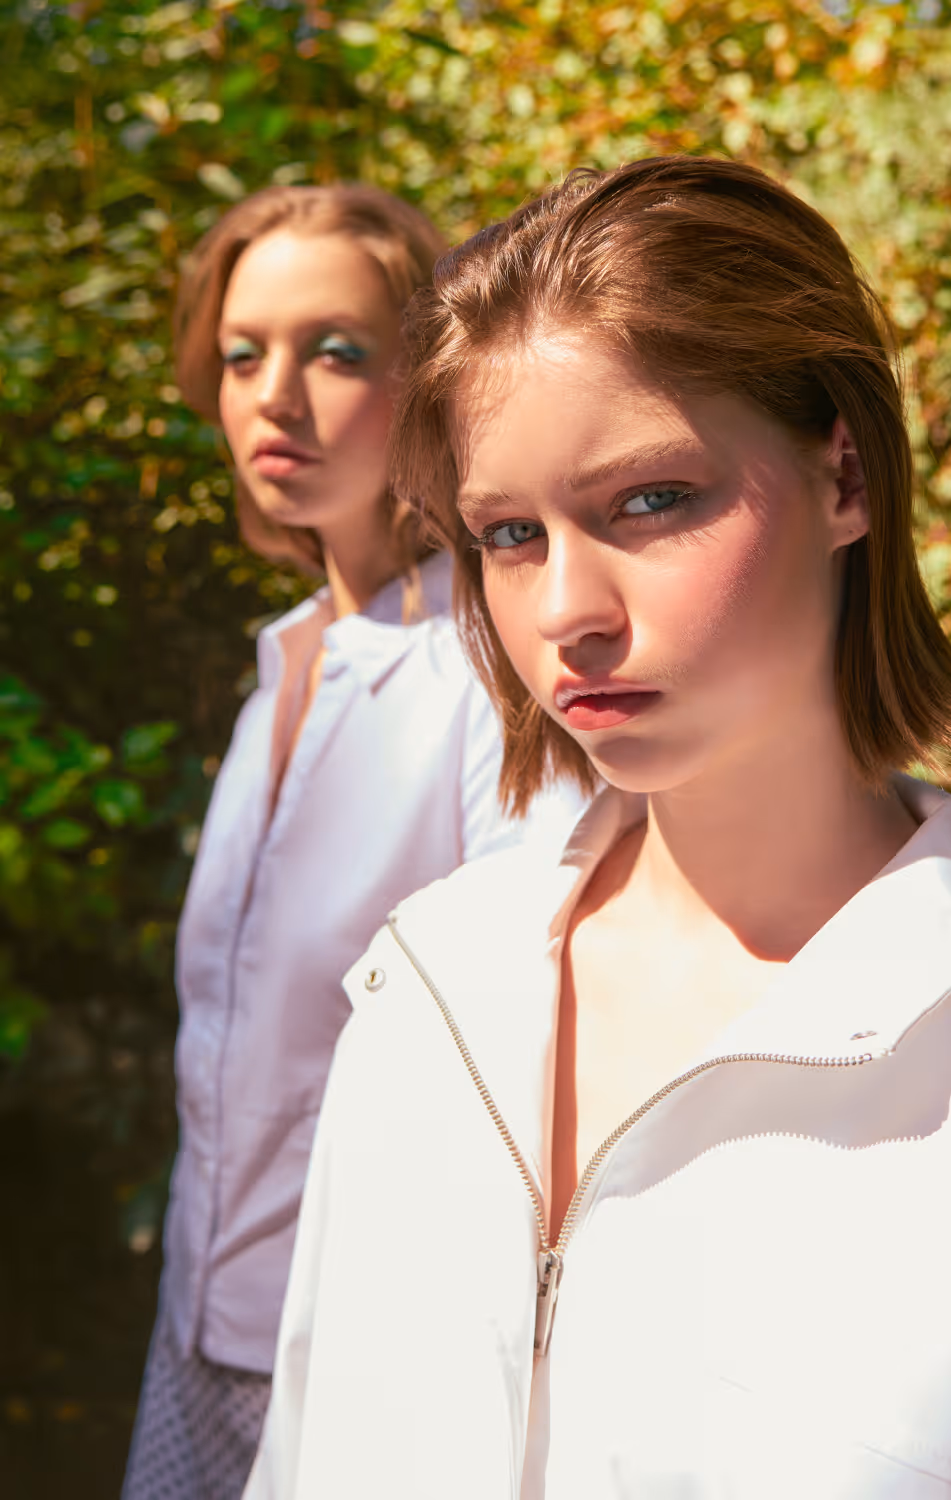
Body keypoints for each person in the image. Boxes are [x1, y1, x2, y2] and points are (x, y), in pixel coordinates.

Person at [245, 159, 951, 1500]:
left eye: (650, 500)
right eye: (509, 534)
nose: (566, 611)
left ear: (844, 474)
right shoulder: (423, 987)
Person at [121, 183, 581, 1500]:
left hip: (369, 1362)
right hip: (197, 1325)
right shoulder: (284, 663)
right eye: (241, 356)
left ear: (428, 379)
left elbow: (536, 1034)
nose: (275, 396)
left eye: (335, 351)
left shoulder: (488, 672)